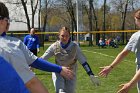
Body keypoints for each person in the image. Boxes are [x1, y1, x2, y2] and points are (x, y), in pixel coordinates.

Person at [0, 2, 73, 93]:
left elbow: (35, 60)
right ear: (2, 21)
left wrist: (37, 48)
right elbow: (31, 83)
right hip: (25, 53)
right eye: (8, 20)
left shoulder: (30, 39)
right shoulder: (10, 47)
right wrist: (59, 69)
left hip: (31, 52)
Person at [41, 26, 100, 93]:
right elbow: (42, 59)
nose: (65, 38)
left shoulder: (75, 47)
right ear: (59, 36)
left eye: (67, 35)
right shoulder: (54, 46)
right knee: (60, 91)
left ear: (69, 36)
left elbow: (83, 62)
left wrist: (91, 74)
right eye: (62, 36)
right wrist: (31, 65)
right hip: (59, 72)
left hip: (71, 73)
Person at [99, 9, 140, 93]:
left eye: (135, 19)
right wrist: (110, 67)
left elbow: (123, 53)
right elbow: (124, 53)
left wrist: (130, 84)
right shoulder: (135, 36)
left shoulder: (137, 36)